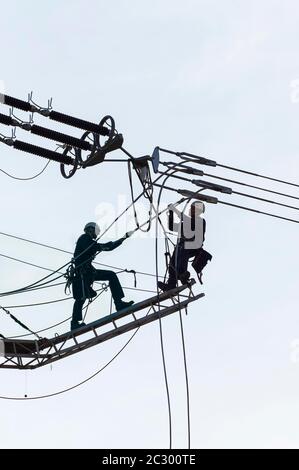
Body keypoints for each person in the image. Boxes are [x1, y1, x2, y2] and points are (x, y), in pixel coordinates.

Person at [71, 222, 134, 330]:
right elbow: (100, 247)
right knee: (82, 296)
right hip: (83, 273)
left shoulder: (88, 241)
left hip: (88, 272)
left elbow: (105, 247)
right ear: (90, 229)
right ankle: (75, 322)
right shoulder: (85, 238)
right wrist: (120, 239)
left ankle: (118, 303)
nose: (97, 233)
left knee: (110, 276)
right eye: (96, 231)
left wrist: (123, 238)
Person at [158, 201, 206, 291]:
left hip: (194, 245)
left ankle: (183, 274)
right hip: (183, 247)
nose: (190, 210)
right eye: (191, 208)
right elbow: (172, 227)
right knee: (173, 263)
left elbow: (187, 220)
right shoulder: (185, 223)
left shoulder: (200, 221)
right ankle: (171, 284)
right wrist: (171, 213)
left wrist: (174, 209)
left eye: (193, 209)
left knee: (184, 248)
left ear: (198, 211)